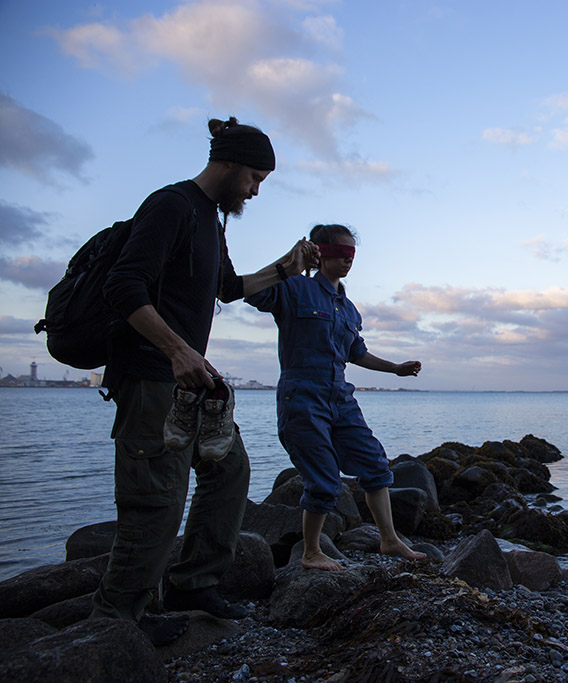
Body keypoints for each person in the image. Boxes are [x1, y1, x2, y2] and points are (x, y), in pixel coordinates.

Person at [91, 117, 318, 646]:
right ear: (231, 162)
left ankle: (192, 584)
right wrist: (175, 349)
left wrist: (285, 267)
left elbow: (227, 288)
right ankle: (115, 623)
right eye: (255, 178)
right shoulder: (171, 205)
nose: (256, 191)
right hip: (150, 377)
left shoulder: (211, 221)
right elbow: (122, 285)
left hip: (191, 384)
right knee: (157, 499)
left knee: (229, 471)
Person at [245, 223, 427, 571]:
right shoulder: (294, 289)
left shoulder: (349, 309)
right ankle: (311, 551)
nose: (348, 260)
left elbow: (357, 353)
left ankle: (389, 540)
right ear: (320, 252)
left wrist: (395, 369)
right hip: (301, 397)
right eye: (340, 253)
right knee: (325, 481)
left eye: (352, 254)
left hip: (341, 398)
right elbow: (251, 292)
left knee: (375, 465)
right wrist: (290, 262)